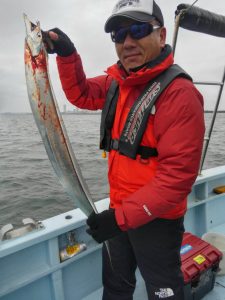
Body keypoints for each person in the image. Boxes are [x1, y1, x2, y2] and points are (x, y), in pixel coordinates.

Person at [44, 0, 205, 299]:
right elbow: (81, 94)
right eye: (119, 36)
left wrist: (117, 219)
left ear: (161, 34)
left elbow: (177, 179)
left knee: (164, 290)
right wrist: (67, 55)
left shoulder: (180, 95)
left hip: (157, 219)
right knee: (116, 284)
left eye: (139, 30)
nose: (127, 42)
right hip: (119, 209)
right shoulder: (116, 83)